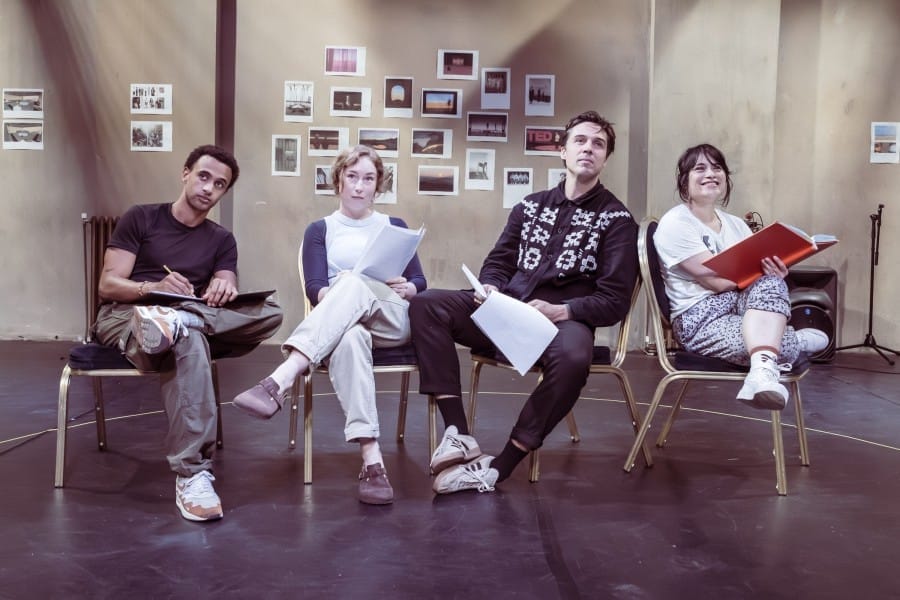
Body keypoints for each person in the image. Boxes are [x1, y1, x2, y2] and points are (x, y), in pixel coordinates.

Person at [409, 110, 638, 494]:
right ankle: (458, 433)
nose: (588, 148)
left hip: (562, 323)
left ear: (604, 159)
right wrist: (491, 288)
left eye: (598, 144)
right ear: (562, 151)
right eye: (580, 140)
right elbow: (498, 262)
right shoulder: (529, 207)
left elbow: (614, 300)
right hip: (506, 313)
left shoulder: (616, 219)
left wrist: (563, 310)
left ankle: (501, 466)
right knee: (427, 303)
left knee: (574, 358)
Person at [94, 144, 284, 522]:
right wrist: (152, 288)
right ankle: (193, 475)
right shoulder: (142, 218)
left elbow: (227, 278)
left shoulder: (221, 239)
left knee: (270, 312)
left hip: (187, 316)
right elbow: (108, 285)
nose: (208, 188)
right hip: (128, 314)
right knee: (190, 340)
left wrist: (222, 286)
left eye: (219, 184)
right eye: (203, 176)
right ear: (185, 173)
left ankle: (183, 321)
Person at [232, 145, 426, 505]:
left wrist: (410, 286)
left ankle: (282, 377)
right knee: (349, 336)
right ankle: (372, 459)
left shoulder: (393, 226)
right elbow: (316, 289)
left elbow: (420, 281)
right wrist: (347, 291)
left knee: (352, 282)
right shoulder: (320, 229)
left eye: (368, 179)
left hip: (391, 319)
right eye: (352, 177)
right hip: (345, 323)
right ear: (338, 180)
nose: (359, 186)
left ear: (377, 186)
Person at [653, 143, 829, 411]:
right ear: (684, 181)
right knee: (772, 340)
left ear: (726, 178)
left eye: (717, 168)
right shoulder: (675, 223)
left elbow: (741, 278)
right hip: (700, 318)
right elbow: (714, 282)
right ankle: (793, 342)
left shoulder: (736, 225)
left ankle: (760, 373)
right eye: (700, 168)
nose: (710, 173)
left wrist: (773, 271)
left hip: (741, 305)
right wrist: (754, 273)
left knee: (771, 280)